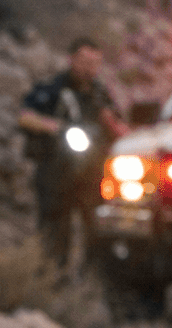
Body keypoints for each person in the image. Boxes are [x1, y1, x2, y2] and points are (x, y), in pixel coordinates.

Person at [18, 37, 127, 268]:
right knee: (54, 231)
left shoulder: (100, 93)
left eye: (95, 63)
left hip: (92, 173)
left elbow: (114, 121)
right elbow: (25, 116)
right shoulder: (53, 89)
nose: (89, 68)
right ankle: (52, 279)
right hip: (56, 171)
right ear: (72, 59)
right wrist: (55, 127)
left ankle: (92, 281)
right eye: (84, 61)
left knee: (97, 231)